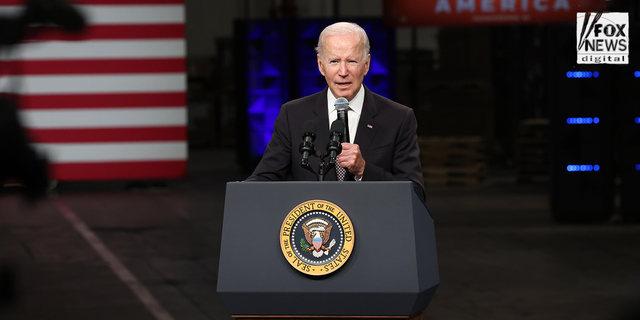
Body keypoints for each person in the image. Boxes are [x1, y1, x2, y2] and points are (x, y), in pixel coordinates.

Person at [246, 22, 425, 200]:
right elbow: (265, 177)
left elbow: (415, 193)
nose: (343, 71)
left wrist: (364, 169)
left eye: (351, 61)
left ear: (367, 64)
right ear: (320, 65)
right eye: (334, 61)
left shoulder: (399, 118)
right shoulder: (292, 115)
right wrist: (240, 194)